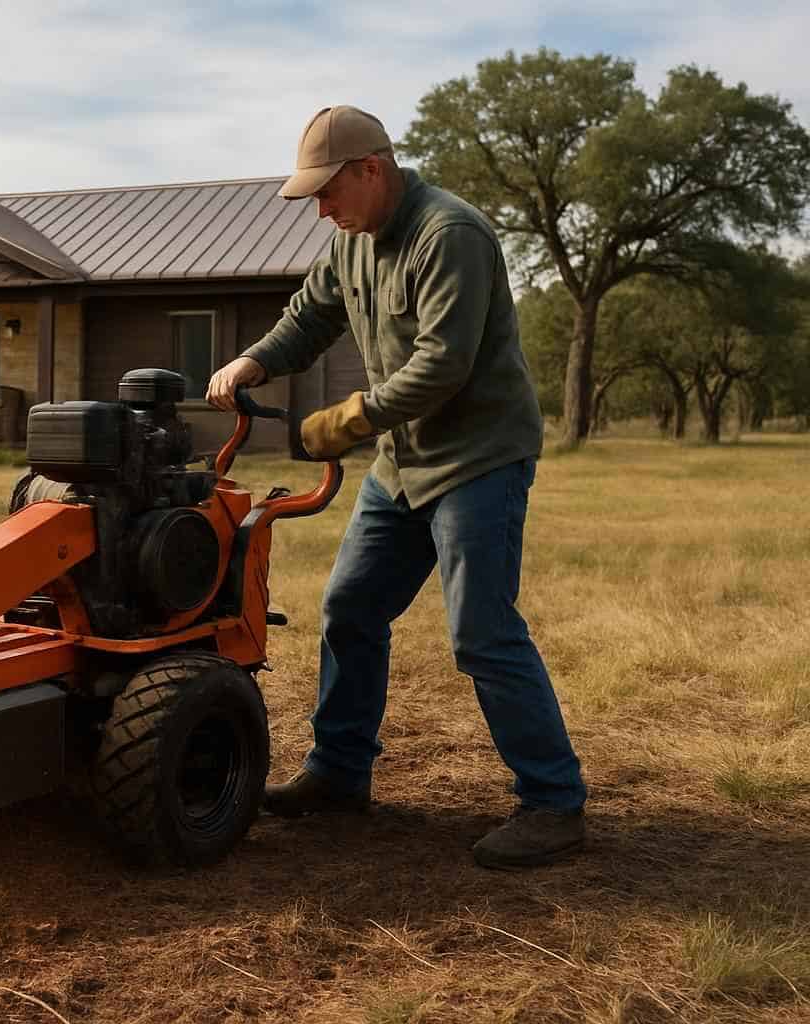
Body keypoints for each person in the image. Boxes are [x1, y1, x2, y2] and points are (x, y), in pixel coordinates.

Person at [205, 105, 586, 868]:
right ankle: (340, 775)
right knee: (351, 606)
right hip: (403, 467)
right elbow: (309, 315)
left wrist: (351, 416)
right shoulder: (354, 244)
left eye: (327, 192)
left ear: (371, 170)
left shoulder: (452, 236)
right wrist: (255, 360)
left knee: (481, 630)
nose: (321, 210)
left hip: (477, 458)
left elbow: (443, 364)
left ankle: (553, 803)